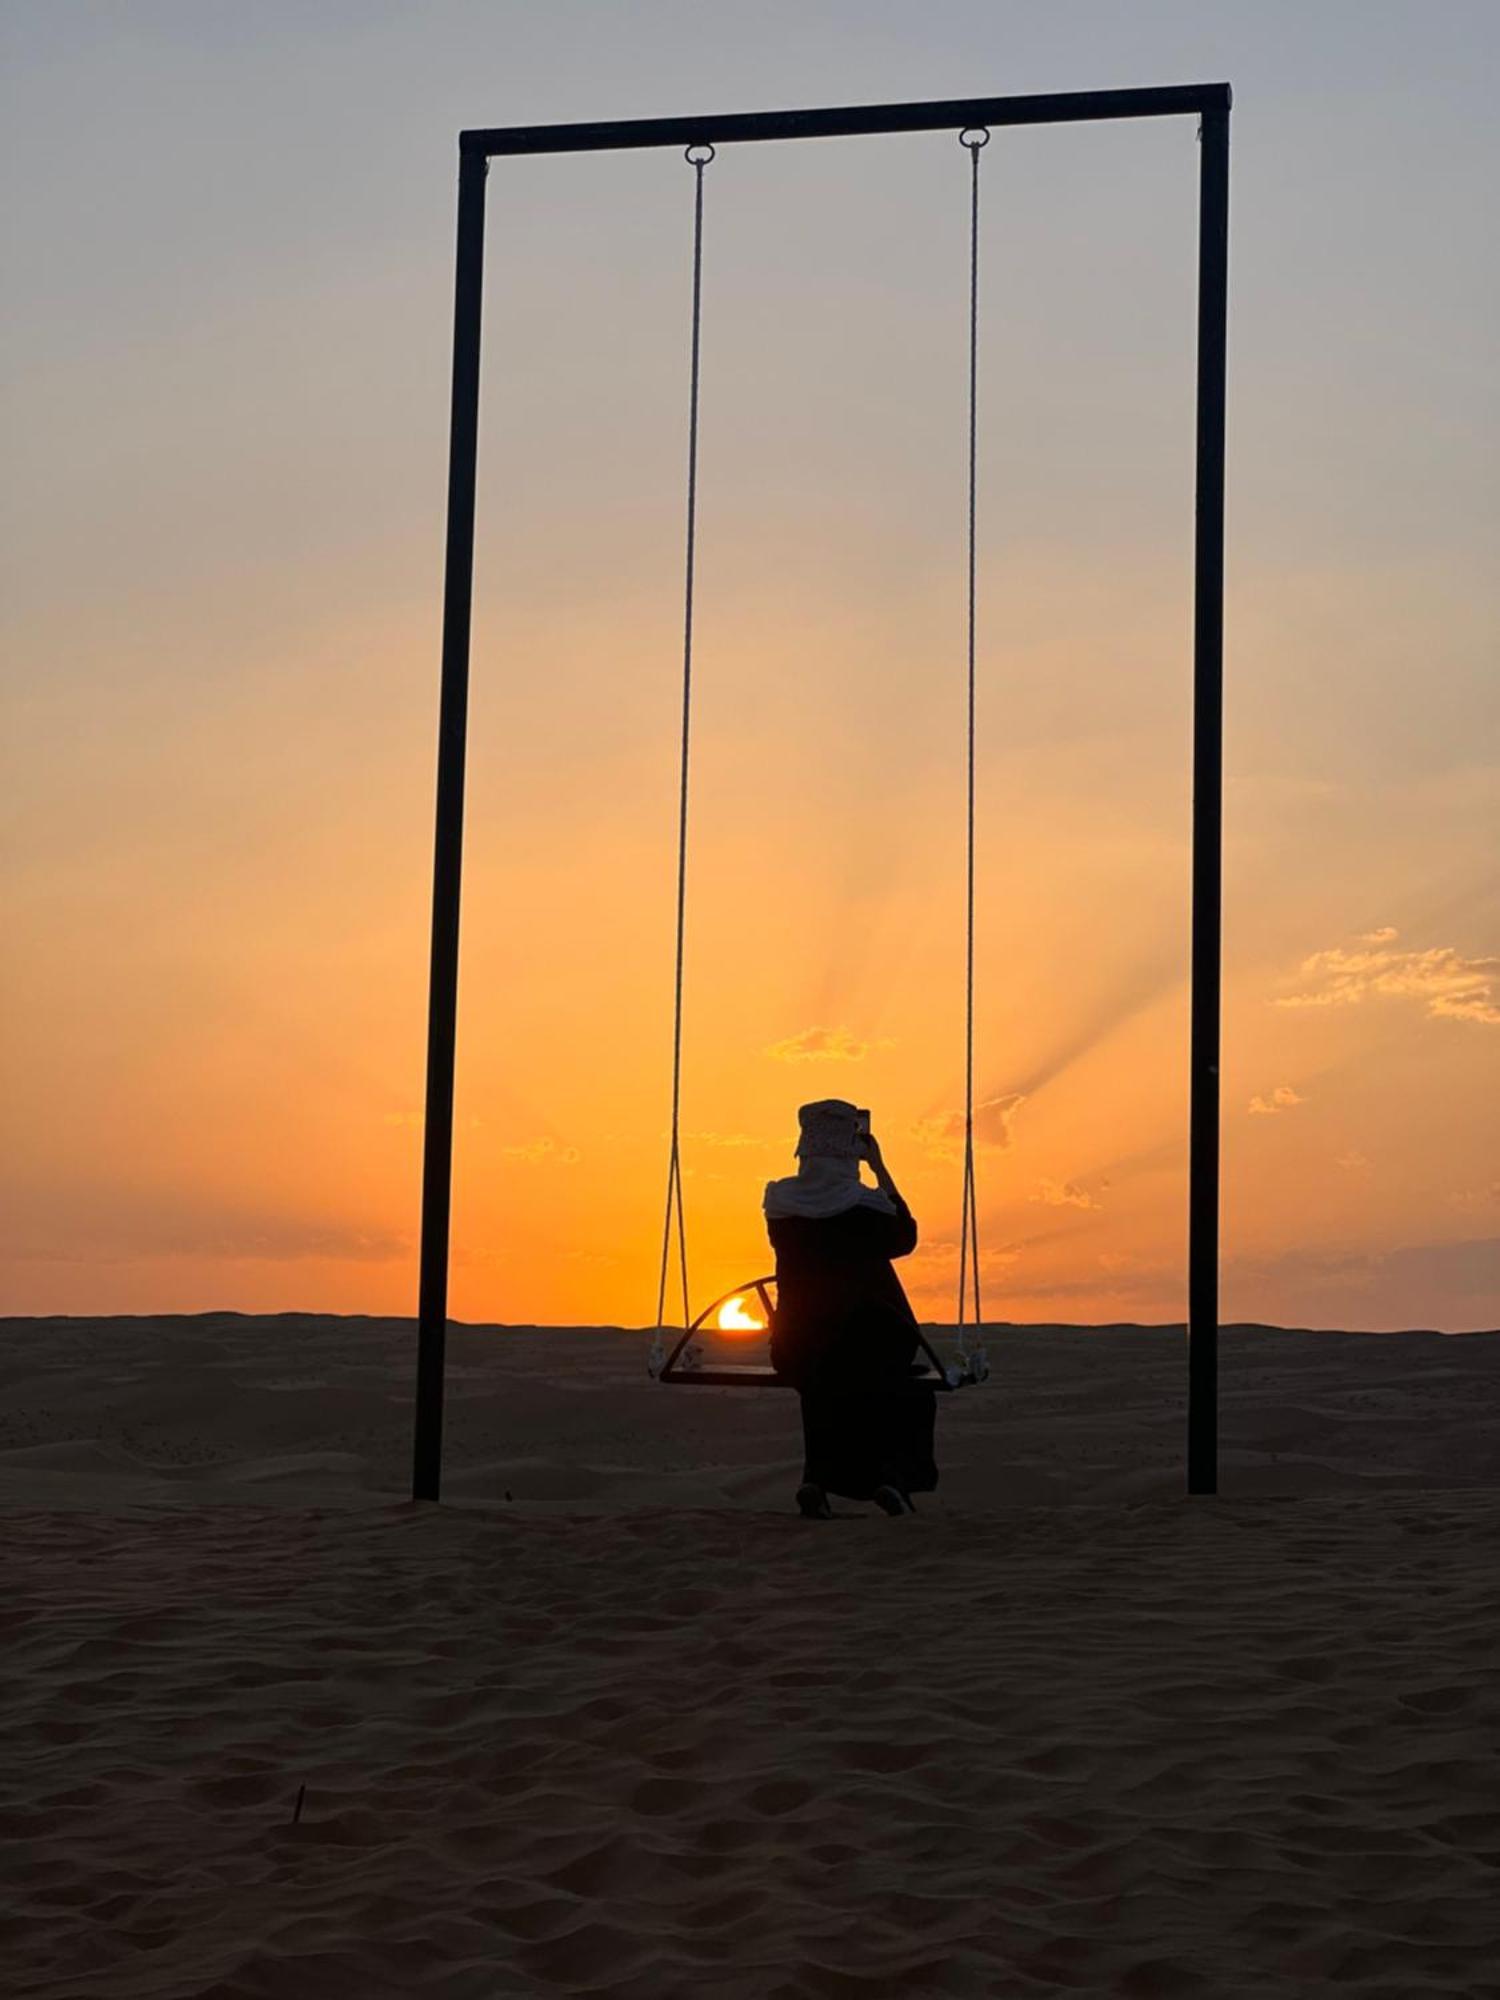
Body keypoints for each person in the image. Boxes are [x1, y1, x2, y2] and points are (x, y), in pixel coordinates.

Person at [763, 1098, 938, 1518]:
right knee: (904, 1390)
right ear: (852, 1151)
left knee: (822, 1387)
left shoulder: (781, 1203)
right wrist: (880, 1168)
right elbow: (906, 1237)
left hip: (795, 1345)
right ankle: (889, 1479)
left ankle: (817, 1481)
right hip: (871, 1342)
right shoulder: (863, 1206)